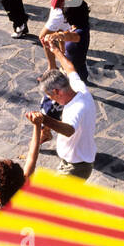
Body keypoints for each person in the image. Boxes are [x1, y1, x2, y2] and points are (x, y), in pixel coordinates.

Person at [27, 43, 96, 179]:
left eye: (50, 96)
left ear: (57, 91)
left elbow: (69, 130)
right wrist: (55, 50)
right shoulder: (78, 87)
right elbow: (70, 68)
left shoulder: (76, 108)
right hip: (74, 161)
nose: (50, 99)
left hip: (75, 167)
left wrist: (43, 119)